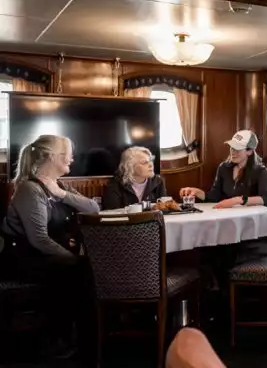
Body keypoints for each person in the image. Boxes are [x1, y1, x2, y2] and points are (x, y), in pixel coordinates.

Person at [0, 134, 100, 357]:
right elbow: (39, 240)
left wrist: (61, 194)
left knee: (84, 267)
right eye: (67, 155)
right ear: (52, 157)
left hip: (48, 256)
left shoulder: (58, 186)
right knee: (80, 269)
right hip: (25, 257)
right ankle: (64, 341)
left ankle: (80, 339)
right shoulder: (29, 189)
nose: (71, 160)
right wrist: (73, 258)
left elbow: (93, 208)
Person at [179, 130, 267, 210]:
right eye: (232, 147)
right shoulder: (223, 168)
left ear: (250, 151)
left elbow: (266, 199)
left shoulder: (262, 171)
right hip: (227, 216)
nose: (233, 152)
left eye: (238, 149)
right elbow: (214, 197)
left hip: (249, 219)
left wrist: (236, 200)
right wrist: (197, 192)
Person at [102, 146, 167, 210]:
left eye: (150, 161)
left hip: (152, 220)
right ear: (130, 166)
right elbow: (111, 212)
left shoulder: (158, 181)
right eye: (144, 162)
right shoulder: (116, 183)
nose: (151, 165)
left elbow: (164, 208)